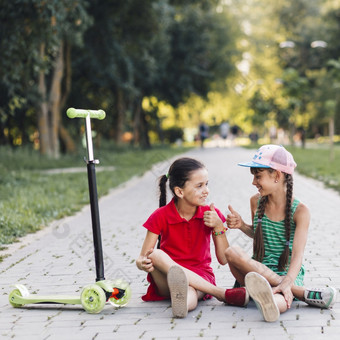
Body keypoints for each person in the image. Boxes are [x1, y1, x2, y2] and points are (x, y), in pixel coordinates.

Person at [225, 144, 337, 322]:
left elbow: (298, 255)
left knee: (278, 301)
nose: (253, 182)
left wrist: (287, 281)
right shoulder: (256, 202)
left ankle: (269, 298)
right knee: (231, 252)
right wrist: (241, 225)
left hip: (286, 271)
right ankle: (300, 293)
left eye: (258, 176)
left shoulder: (300, 211)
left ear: (277, 175)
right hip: (256, 270)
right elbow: (260, 235)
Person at [136, 157, 248, 318]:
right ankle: (221, 293)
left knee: (189, 291)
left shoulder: (211, 214)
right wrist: (142, 263)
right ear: (179, 191)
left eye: (207, 184)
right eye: (199, 186)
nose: (206, 190)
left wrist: (218, 226)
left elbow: (223, 259)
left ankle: (180, 305)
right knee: (155, 254)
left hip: (200, 276)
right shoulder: (160, 216)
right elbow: (142, 257)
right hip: (168, 276)